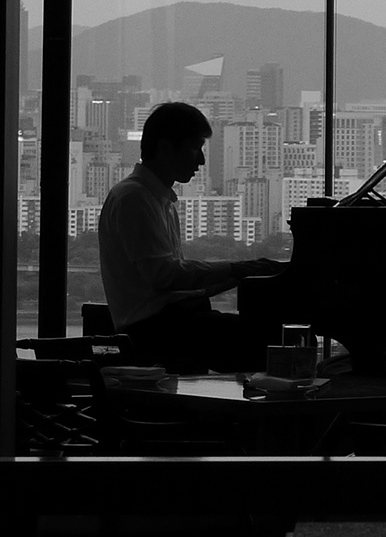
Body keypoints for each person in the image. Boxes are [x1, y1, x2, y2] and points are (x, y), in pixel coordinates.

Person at [99, 101, 283, 372]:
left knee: (270, 337)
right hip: (155, 332)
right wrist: (238, 269)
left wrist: (242, 274)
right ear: (165, 147)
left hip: (168, 324)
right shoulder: (134, 199)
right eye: (195, 148)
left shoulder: (155, 199)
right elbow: (165, 276)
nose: (201, 161)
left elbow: (171, 281)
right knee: (275, 339)